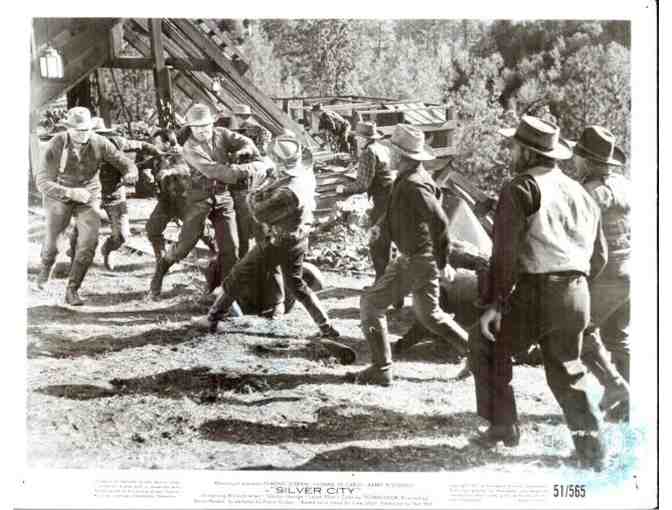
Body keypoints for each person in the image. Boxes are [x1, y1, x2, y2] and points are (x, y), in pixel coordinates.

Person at [469, 115, 609, 471]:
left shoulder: (520, 187)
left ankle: (502, 427)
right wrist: (576, 286)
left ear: (528, 153)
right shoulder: (581, 192)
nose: (510, 151)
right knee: (568, 369)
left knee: (486, 345)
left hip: (537, 292)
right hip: (577, 293)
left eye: (514, 146)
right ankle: (593, 452)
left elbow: (505, 256)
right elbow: (601, 256)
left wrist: (495, 305)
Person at [347, 124, 469, 387]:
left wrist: (443, 261)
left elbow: (440, 222)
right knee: (430, 315)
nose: (388, 154)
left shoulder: (414, 184)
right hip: (419, 257)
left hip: (416, 258)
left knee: (371, 305)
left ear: (400, 155)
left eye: (392, 150)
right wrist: (380, 226)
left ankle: (382, 369)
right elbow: (395, 209)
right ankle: (482, 357)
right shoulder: (412, 176)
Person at [197, 135, 342, 340]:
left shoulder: (288, 192)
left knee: (239, 274)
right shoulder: (304, 176)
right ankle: (326, 326)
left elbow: (259, 213)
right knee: (297, 285)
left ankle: (212, 319)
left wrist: (255, 190)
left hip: (276, 241)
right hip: (298, 239)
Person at [149, 104, 258, 299]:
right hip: (199, 198)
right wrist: (252, 168)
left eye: (206, 126)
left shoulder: (222, 134)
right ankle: (161, 270)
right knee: (184, 246)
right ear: (190, 127)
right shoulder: (190, 148)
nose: (203, 131)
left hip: (223, 197)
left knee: (230, 248)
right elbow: (216, 171)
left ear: (212, 122)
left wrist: (245, 150)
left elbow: (245, 141)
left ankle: (226, 296)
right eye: (197, 127)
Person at [35, 107, 137, 305]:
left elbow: (123, 161)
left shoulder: (99, 142)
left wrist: (130, 171)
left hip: (89, 196)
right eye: (78, 130)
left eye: (86, 130)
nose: (83, 134)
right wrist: (69, 192)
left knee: (88, 243)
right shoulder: (56, 144)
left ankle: (72, 289)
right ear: (68, 129)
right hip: (60, 193)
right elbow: (42, 181)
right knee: (53, 240)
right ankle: (47, 265)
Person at [573, 125, 631, 422]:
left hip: (607, 275)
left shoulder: (588, 193)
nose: (573, 160)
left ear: (587, 160)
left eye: (577, 155)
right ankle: (627, 404)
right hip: (630, 271)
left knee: (580, 331)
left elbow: (581, 240)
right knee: (618, 337)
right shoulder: (623, 184)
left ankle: (614, 386)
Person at [69, 117, 160, 271]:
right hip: (90, 195)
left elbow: (142, 145)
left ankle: (107, 249)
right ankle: (73, 256)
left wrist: (159, 152)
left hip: (115, 195)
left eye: (102, 135)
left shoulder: (118, 142)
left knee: (122, 236)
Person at [335, 121, 395, 282]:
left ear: (363, 138)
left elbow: (363, 185)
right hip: (393, 197)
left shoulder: (368, 152)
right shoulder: (383, 148)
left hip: (382, 200)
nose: (355, 140)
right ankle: (387, 283)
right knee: (386, 241)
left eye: (357, 137)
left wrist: (343, 189)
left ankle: (381, 283)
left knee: (377, 243)